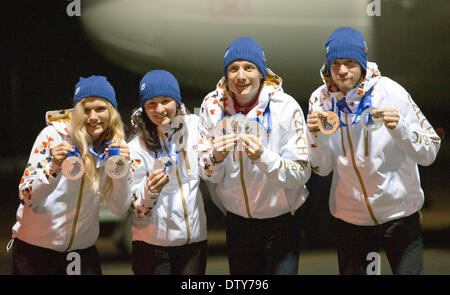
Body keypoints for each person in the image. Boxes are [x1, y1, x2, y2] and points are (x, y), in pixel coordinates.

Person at [306, 27, 441, 275]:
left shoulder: (391, 92)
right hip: (351, 220)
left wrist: (399, 127)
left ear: (362, 62)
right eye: (335, 63)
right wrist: (315, 135)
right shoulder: (320, 100)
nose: (342, 70)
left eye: (349, 62)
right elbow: (322, 167)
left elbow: (430, 152)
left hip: (399, 214)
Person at [198, 36, 311, 275]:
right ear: (226, 75)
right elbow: (207, 173)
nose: (241, 76)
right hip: (238, 223)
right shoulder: (211, 107)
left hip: (281, 222)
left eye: (249, 67)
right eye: (233, 69)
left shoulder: (286, 107)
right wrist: (215, 158)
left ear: (261, 73)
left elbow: (301, 173)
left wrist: (263, 157)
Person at [10, 75, 132, 275]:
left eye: (100, 109)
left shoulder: (117, 148)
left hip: (80, 253)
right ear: (76, 112)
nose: (93, 117)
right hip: (35, 251)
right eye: (86, 109)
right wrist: (54, 167)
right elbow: (27, 195)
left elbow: (118, 208)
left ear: (112, 112)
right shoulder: (52, 137)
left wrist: (121, 169)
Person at [128, 70, 207, 275]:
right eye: (151, 103)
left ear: (177, 101)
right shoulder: (136, 147)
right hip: (152, 247)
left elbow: (211, 172)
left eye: (165, 101)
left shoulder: (196, 127)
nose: (159, 109)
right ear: (143, 107)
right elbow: (135, 209)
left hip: (193, 244)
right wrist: (149, 191)